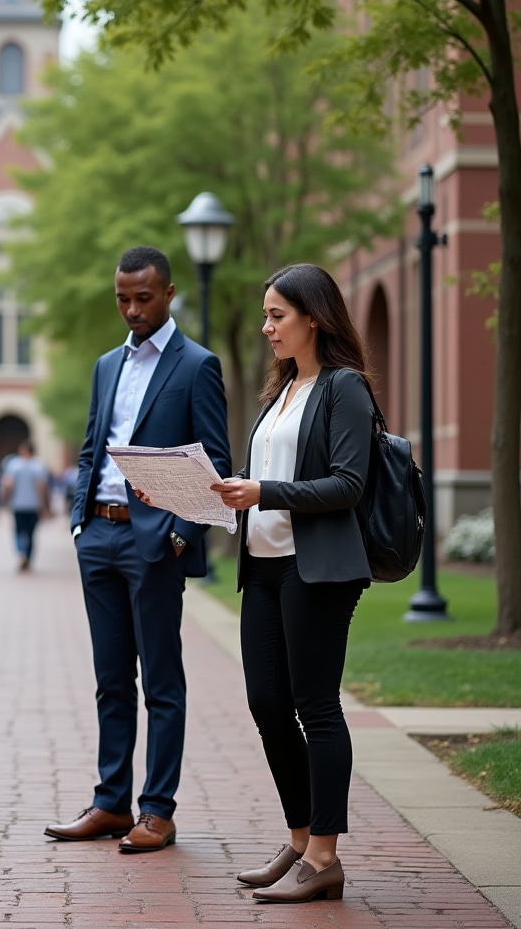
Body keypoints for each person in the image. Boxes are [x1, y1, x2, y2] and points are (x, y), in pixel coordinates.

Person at [45, 245, 231, 853]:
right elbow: (91, 445)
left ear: (169, 293)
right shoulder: (106, 365)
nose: (131, 310)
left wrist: (179, 537)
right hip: (98, 537)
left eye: (143, 298)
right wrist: (79, 522)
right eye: (123, 299)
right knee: (110, 679)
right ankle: (110, 804)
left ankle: (158, 811)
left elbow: (217, 463)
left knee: (161, 682)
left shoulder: (197, 365)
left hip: (155, 544)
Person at [209, 263, 373, 903]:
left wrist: (264, 491)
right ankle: (302, 837)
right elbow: (262, 480)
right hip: (266, 568)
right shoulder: (281, 392)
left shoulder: (344, 389)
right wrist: (216, 494)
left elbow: (347, 484)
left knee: (317, 706)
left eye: (278, 315)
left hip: (317, 571)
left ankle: (326, 856)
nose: (267, 327)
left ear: (314, 317)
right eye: (266, 314)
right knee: (266, 703)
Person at [0, 441, 50, 571]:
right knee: (31, 533)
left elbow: (8, 485)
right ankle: (27, 555)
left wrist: (4, 500)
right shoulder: (38, 466)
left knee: (18, 531)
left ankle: (21, 553)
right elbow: (42, 487)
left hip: (18, 505)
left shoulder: (14, 465)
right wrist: (45, 506)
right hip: (34, 505)